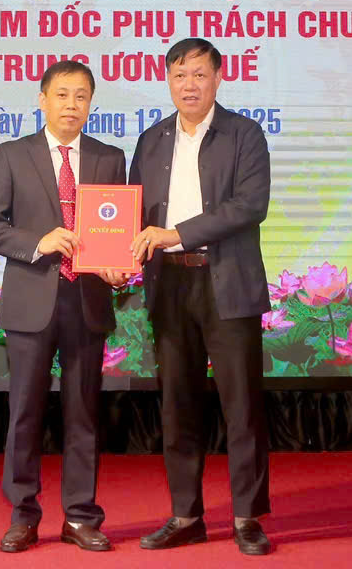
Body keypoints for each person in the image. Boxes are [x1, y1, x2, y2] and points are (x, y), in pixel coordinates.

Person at [129, 38, 273, 555]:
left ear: (218, 78)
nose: (188, 85)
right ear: (167, 80)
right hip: (170, 286)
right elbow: (133, 213)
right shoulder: (151, 140)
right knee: (177, 405)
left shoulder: (244, 134)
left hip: (226, 281)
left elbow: (249, 205)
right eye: (179, 75)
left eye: (198, 74)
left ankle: (247, 518)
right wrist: (118, 257)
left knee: (241, 407)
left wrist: (177, 233)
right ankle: (186, 514)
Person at [0, 60, 128, 553]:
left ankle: (81, 517)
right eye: (62, 95)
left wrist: (118, 265)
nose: (71, 105)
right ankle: (23, 515)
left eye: (81, 96)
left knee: (84, 414)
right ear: (42, 100)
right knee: (25, 413)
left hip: (87, 300)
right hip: (31, 302)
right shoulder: (12, 154)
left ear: (91, 104)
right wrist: (38, 242)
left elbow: (117, 229)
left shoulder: (109, 157)